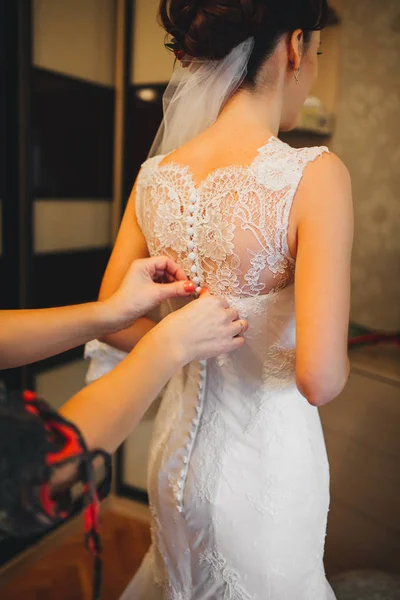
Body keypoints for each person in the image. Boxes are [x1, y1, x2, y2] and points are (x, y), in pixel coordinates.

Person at [86, 0, 354, 598]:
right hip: (265, 475)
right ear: (295, 47)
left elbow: (111, 319)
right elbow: (320, 378)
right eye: (317, 54)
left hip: (173, 460)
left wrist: (181, 340)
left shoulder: (156, 177)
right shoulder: (314, 176)